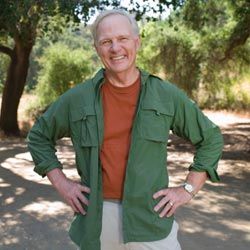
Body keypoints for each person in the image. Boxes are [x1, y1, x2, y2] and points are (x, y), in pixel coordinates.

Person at [27, 9, 224, 250]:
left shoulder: (165, 94)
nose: (115, 48)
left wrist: (188, 188)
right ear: (97, 49)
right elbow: (38, 136)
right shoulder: (78, 98)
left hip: (151, 219)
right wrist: (62, 184)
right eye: (106, 42)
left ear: (136, 42)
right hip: (96, 222)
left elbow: (211, 137)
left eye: (122, 39)